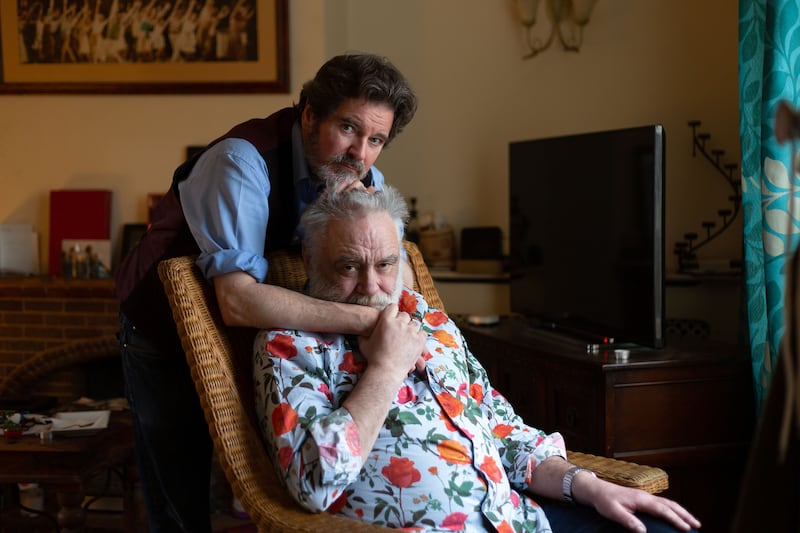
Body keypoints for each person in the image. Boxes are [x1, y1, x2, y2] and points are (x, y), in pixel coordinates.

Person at [253, 186, 702, 533]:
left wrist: (587, 486)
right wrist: (386, 369)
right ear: (311, 257)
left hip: (514, 520)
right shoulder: (289, 345)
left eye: (386, 264)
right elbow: (314, 483)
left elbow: (504, 432)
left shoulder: (431, 323)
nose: (372, 287)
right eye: (349, 266)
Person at [115, 53, 417, 532]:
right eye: (348, 128)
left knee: (265, 466)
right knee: (179, 479)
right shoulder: (240, 161)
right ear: (310, 114)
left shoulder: (359, 175)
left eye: (376, 139)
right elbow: (236, 301)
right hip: (162, 328)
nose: (360, 152)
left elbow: (398, 275)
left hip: (262, 334)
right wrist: (369, 322)